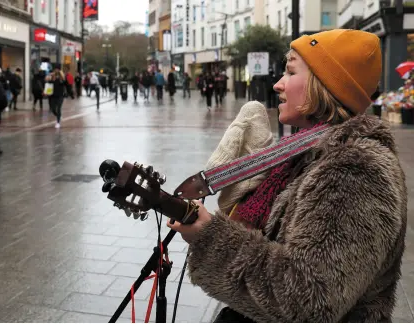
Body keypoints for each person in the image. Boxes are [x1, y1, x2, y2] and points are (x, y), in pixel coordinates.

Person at [168, 29, 407, 322]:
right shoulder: (302, 150)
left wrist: (211, 238)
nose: (278, 84)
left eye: (291, 72)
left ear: (325, 85)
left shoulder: (357, 169)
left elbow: (309, 301)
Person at [45, 63, 66, 128]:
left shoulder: (61, 77)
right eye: (55, 69)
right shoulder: (51, 76)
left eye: (57, 69)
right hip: (52, 96)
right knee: (53, 109)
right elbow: (46, 81)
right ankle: (58, 115)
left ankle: (58, 122)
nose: (56, 70)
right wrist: (49, 76)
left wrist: (61, 75)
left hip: (60, 96)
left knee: (59, 108)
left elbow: (65, 82)